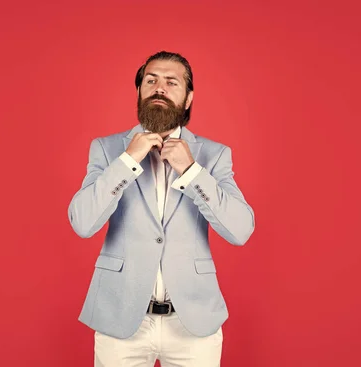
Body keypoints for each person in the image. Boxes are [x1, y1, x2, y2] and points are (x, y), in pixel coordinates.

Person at [67, 51, 255, 367]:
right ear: (140, 90)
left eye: (171, 82)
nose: (160, 88)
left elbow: (241, 230)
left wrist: (193, 170)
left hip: (193, 321)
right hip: (121, 318)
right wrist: (126, 161)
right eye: (151, 80)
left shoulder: (215, 154)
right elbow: (83, 223)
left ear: (188, 96)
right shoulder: (107, 149)